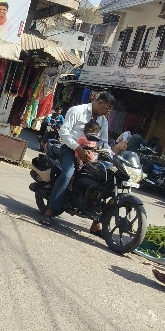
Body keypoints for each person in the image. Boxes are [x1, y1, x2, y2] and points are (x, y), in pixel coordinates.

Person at [40, 91, 118, 232]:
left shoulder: (103, 121)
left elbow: (104, 142)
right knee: (67, 174)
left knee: (104, 181)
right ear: (100, 102)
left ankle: (96, 223)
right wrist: (79, 150)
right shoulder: (77, 110)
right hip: (70, 149)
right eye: (107, 109)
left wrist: (111, 155)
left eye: (110, 111)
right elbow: (64, 132)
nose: (107, 113)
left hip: (91, 154)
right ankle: (49, 211)